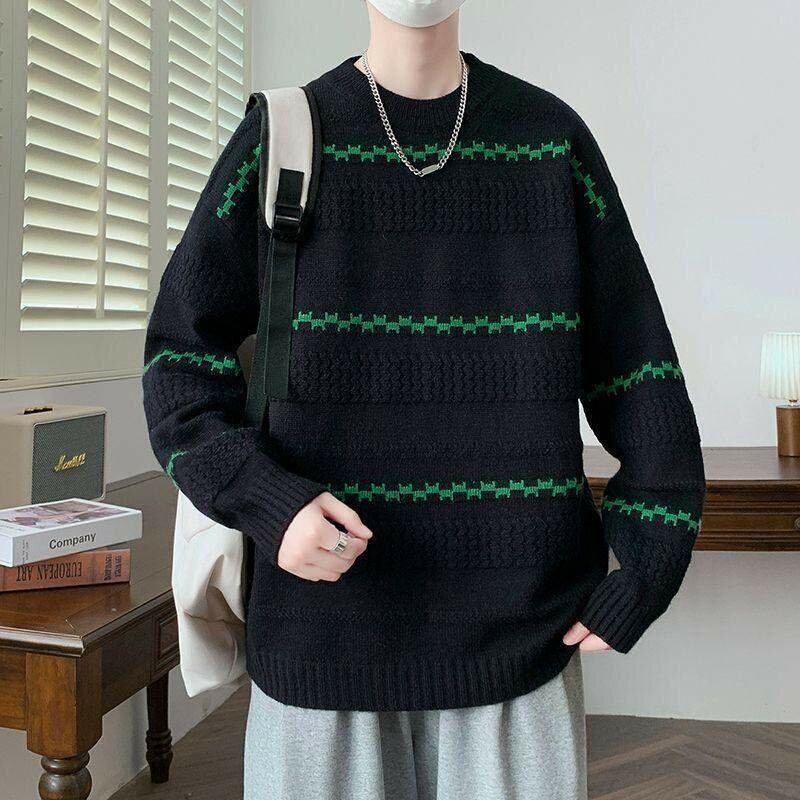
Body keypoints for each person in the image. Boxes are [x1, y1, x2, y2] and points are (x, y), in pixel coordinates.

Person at [142, 1, 706, 797]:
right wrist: (268, 503)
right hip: (320, 641)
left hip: (520, 647)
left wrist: (647, 564)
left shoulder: (549, 142)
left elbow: (641, 369)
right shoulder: (285, 137)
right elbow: (177, 363)